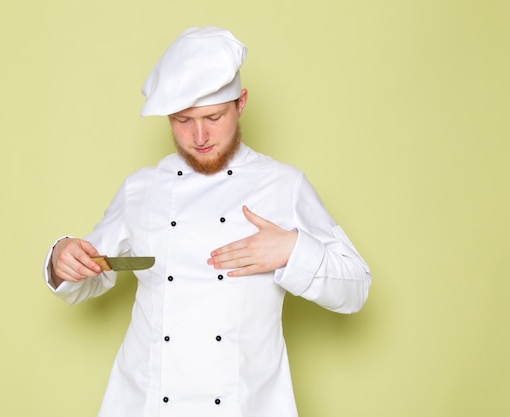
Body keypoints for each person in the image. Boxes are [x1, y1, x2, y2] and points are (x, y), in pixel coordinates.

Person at [44, 26, 371, 417]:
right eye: (183, 120)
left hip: (244, 407)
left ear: (241, 103)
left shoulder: (284, 185)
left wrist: (292, 249)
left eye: (213, 117)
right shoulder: (141, 188)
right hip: (147, 405)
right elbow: (90, 271)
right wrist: (62, 259)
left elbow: (356, 289)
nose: (199, 136)